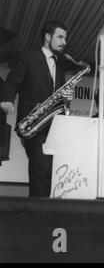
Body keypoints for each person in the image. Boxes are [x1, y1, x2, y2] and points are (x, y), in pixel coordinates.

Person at [0, 21, 73, 197]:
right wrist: (6, 100)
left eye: (65, 38)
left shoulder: (60, 64)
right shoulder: (29, 57)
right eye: (60, 37)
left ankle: (45, 212)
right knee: (40, 169)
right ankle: (37, 215)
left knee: (50, 173)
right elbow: (12, 82)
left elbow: (57, 94)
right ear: (48, 37)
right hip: (33, 124)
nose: (64, 41)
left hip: (53, 125)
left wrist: (66, 97)